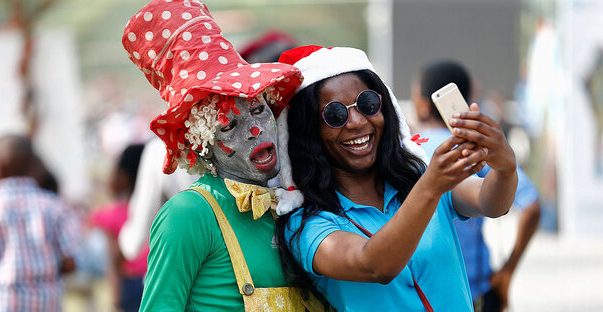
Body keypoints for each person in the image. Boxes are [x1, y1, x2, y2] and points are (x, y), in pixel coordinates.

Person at [275, 45, 518, 312]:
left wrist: (504, 168)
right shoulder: (306, 225)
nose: (356, 122)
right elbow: (375, 265)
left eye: (367, 104)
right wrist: (429, 188)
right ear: (309, 132)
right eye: (335, 115)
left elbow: (491, 202)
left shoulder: (418, 175)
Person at [121, 1, 323, 310]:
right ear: (204, 145)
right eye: (230, 126)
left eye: (258, 110)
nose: (254, 130)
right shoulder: (188, 213)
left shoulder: (290, 203)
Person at [411, 60, 541, 312]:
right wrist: (507, 271)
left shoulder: (407, 150)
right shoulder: (475, 147)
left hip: (423, 295)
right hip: (477, 293)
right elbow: (532, 205)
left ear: (423, 105)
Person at [0, 134, 80, 312]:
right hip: (47, 303)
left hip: (0, 302)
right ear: (34, 167)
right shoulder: (55, 207)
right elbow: (70, 262)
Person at [117, 138, 199, 260]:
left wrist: (121, 240)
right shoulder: (225, 129)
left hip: (192, 256)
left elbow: (136, 239)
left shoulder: (158, 149)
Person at [89, 143, 147, 312]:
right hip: (159, 281)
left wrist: (115, 302)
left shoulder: (112, 215)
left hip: (130, 287)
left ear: (124, 175)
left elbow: (114, 263)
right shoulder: (165, 209)